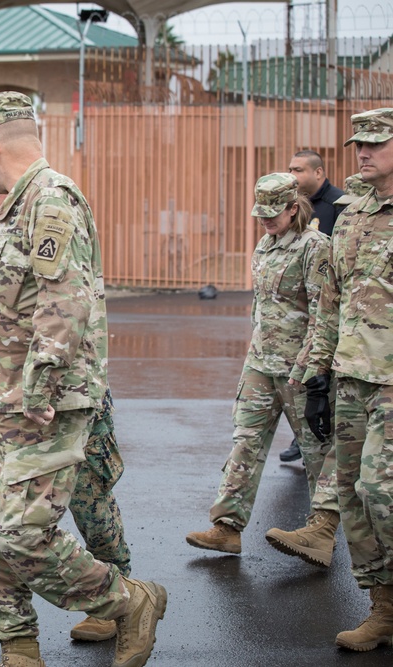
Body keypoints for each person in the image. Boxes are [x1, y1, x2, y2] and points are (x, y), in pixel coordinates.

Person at [0, 92, 166, 667]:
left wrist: (36, 390)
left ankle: (128, 600)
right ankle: (19, 647)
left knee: (23, 535)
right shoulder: (20, 208)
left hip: (47, 400)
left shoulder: (51, 200)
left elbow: (65, 305)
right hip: (8, 397)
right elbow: (21, 311)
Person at [185, 173, 339, 566]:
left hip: (299, 368)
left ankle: (322, 531)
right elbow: (263, 309)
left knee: (317, 449)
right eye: (261, 214)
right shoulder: (265, 245)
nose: (266, 221)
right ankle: (227, 528)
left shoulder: (314, 247)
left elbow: (324, 314)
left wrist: (313, 368)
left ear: (293, 207)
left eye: (274, 213)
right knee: (245, 441)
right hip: (260, 363)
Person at [303, 108, 393, 652]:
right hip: (352, 376)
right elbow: (330, 300)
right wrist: (318, 376)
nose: (362, 153)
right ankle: (382, 607)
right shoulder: (352, 212)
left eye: (376, 144)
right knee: (352, 499)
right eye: (359, 144)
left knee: (380, 491)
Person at [278, 150, 345, 463]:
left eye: (299, 169)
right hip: (300, 307)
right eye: (290, 169)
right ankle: (300, 438)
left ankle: (326, 439)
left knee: (322, 378)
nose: (292, 174)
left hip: (330, 305)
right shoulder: (292, 207)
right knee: (300, 376)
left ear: (319, 173)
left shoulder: (338, 205)